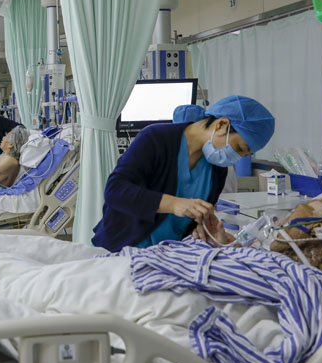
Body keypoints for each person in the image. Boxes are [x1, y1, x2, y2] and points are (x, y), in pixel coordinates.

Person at [92, 95, 275, 252]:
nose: (237, 157)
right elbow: (115, 191)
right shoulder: (155, 139)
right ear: (221, 124)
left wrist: (207, 232)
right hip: (120, 248)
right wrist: (173, 204)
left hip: (165, 255)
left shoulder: (217, 170)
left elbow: (190, 225)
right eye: (239, 148)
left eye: (245, 154)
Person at [194, 196, 322, 275]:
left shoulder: (306, 283)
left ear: (318, 227)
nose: (279, 223)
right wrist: (228, 250)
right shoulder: (275, 267)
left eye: (292, 215)